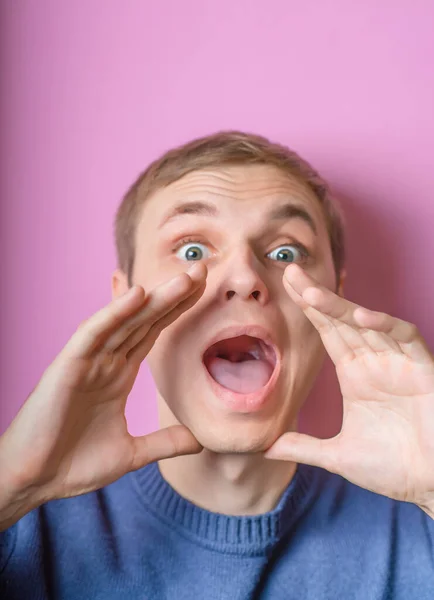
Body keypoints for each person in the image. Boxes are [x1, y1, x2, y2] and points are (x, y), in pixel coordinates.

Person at [1, 130, 434, 600]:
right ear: (125, 299)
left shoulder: (420, 521)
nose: (246, 276)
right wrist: (11, 483)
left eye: (285, 252)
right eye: (192, 251)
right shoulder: (23, 527)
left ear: (336, 295)